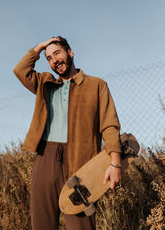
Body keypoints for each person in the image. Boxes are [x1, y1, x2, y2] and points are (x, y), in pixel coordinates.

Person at [13, 36, 122, 230]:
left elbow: (109, 124)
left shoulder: (97, 85)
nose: (54, 60)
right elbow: (20, 70)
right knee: (42, 223)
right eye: (49, 58)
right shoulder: (44, 83)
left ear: (70, 52)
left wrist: (115, 162)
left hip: (81, 164)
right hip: (44, 159)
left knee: (82, 224)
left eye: (57, 53)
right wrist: (40, 47)